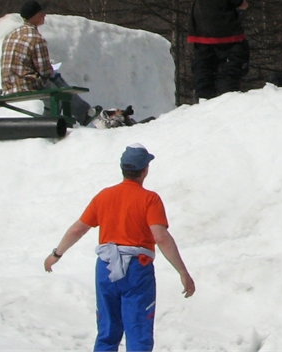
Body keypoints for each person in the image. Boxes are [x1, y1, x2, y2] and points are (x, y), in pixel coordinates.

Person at [45, 145, 196, 352]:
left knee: (107, 330)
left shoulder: (104, 196)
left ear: (122, 168)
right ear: (145, 170)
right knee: (138, 330)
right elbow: (161, 237)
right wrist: (182, 272)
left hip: (106, 267)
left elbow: (77, 230)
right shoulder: (149, 199)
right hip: (137, 269)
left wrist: (56, 254)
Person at [1, 0, 91, 121]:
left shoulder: (11, 35)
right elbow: (45, 72)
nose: (44, 15)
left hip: (8, 84)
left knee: (55, 83)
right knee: (57, 87)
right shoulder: (36, 38)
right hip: (27, 84)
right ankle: (82, 114)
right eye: (41, 13)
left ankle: (83, 112)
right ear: (35, 16)